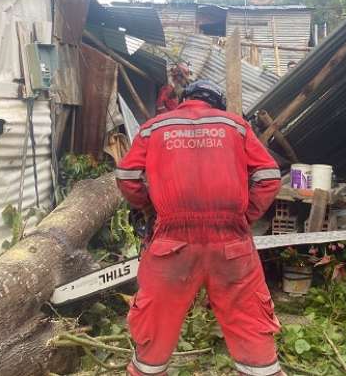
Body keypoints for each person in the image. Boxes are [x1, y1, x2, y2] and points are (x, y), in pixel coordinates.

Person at [116, 79, 285, 376]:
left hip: (172, 243)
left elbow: (127, 176)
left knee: (155, 322)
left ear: (185, 99)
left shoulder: (154, 127)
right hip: (231, 243)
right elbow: (269, 176)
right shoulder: (236, 125)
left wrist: (147, 205)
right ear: (216, 103)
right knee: (250, 320)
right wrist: (245, 217)